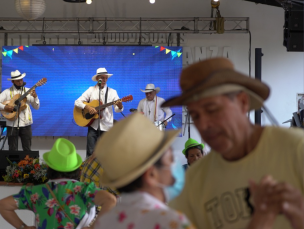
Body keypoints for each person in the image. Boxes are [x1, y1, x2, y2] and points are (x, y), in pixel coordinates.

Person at [161, 57, 304, 228]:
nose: (204, 124)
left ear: (243, 103)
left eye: (212, 109)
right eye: (195, 116)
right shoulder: (196, 180)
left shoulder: (296, 149)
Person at [94, 113, 195, 229]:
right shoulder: (172, 222)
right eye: (171, 159)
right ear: (151, 174)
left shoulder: (104, 222)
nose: (175, 165)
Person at [0, 138, 116, 229]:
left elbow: (2, 205)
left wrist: (23, 227)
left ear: (49, 167)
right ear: (77, 169)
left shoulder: (35, 192)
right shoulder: (84, 190)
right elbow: (110, 200)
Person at [75, 68, 123, 157]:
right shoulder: (91, 90)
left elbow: (117, 109)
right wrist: (88, 107)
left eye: (106, 78)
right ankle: (88, 170)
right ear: (97, 79)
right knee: (90, 152)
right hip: (93, 126)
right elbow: (77, 102)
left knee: (107, 154)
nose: (104, 80)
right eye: (102, 78)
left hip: (107, 126)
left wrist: (120, 105)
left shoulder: (112, 92)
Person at [0, 70, 40, 151]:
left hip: (26, 124)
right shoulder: (7, 92)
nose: (20, 82)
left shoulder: (29, 91)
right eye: (18, 80)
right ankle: (13, 164)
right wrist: (5, 107)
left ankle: (27, 164)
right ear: (12, 81)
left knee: (27, 148)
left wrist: (35, 97)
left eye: (21, 79)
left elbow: (36, 107)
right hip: (12, 125)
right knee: (12, 149)